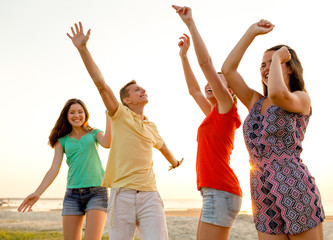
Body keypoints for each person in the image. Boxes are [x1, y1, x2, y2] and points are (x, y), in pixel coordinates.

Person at [67, 22, 183, 240]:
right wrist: (83, 49)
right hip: (122, 196)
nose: (143, 90)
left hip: (150, 195)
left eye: (143, 88)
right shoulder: (119, 115)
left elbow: (163, 147)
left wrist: (175, 162)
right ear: (126, 100)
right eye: (137, 90)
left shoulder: (151, 126)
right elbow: (101, 84)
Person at [222, 19, 325, 239]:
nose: (267, 68)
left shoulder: (301, 99)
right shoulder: (255, 101)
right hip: (261, 189)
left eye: (274, 63)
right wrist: (251, 32)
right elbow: (227, 70)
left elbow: (279, 94)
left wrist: (279, 57)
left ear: (290, 68)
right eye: (263, 64)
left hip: (294, 185)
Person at [173, 5, 242, 240]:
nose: (210, 83)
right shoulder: (213, 113)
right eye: (211, 82)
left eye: (218, 82)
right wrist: (183, 56)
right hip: (213, 191)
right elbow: (193, 90)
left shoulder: (227, 109)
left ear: (229, 92)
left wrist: (190, 23)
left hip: (221, 190)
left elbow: (206, 64)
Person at [18, 98, 112, 240]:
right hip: (72, 195)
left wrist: (109, 117)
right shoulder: (62, 140)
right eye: (72, 112)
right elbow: (54, 169)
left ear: (85, 114)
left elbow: (107, 143)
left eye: (80, 112)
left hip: (97, 192)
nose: (77, 115)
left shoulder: (94, 133)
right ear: (66, 116)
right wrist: (37, 193)